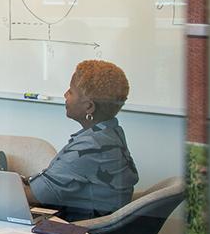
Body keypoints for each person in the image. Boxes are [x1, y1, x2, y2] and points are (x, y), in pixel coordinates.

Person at [24, 60, 139, 221]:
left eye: (70, 92)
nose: (65, 95)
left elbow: (33, 196)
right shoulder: (111, 133)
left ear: (89, 107)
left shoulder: (92, 146)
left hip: (83, 232)